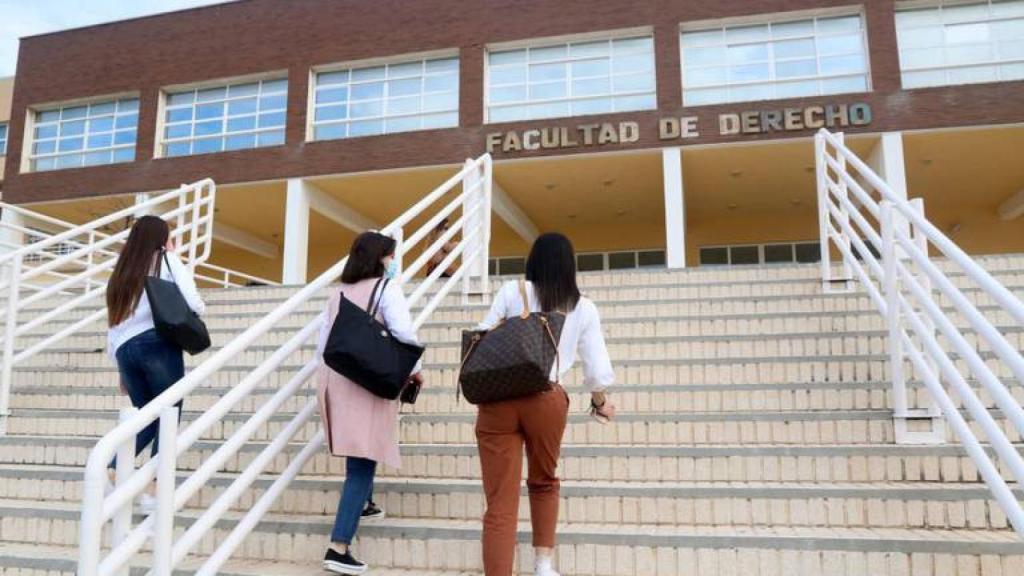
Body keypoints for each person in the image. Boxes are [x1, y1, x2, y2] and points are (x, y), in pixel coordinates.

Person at [474, 232, 616, 576]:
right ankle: (543, 565)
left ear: (533, 260)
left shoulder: (512, 291)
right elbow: (596, 371)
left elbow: (480, 336)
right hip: (547, 399)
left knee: (500, 502)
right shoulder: (582, 307)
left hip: (499, 399)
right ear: (570, 266)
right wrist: (600, 403)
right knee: (544, 481)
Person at [315, 231, 424, 575]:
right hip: (368, 380)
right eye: (391, 256)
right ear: (380, 258)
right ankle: (338, 546)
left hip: (338, 378)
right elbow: (405, 334)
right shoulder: (386, 289)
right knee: (362, 459)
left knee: (362, 446)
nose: (393, 262)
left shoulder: (338, 293)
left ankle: (363, 503)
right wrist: (416, 370)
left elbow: (323, 341)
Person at [105, 215, 205, 513]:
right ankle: (154, 491)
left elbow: (113, 324)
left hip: (125, 352)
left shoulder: (122, 271)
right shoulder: (165, 259)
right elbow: (192, 301)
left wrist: (120, 367)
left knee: (148, 419)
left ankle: (111, 471)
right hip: (157, 345)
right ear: (162, 238)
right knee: (167, 416)